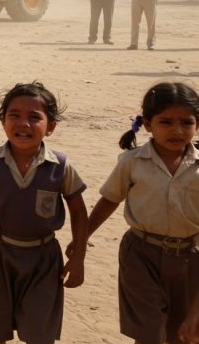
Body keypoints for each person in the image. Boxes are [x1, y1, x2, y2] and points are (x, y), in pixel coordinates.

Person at [0, 82, 88, 344]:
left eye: (34, 117)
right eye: (14, 115)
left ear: (50, 126)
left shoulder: (60, 166)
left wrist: (79, 258)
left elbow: (79, 212)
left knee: (39, 333)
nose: (24, 124)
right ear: (3, 121)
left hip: (43, 259)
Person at [78, 82, 199, 344]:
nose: (177, 130)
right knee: (148, 332)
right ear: (147, 124)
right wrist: (81, 239)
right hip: (141, 255)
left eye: (186, 123)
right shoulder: (132, 162)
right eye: (165, 122)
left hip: (190, 258)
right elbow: (109, 200)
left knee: (183, 334)